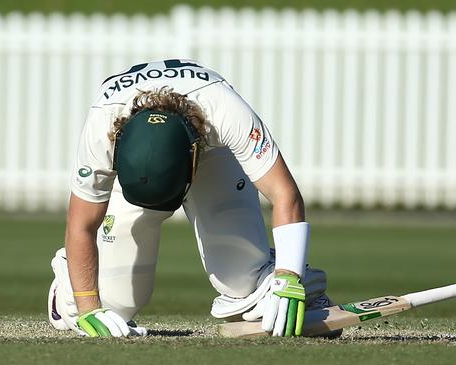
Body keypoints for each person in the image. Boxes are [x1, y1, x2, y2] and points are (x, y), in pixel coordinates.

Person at [48, 59, 337, 337]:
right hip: (141, 161)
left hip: (211, 148)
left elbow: (285, 193)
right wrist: (87, 308)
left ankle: (295, 283)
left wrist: (287, 277)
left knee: (241, 281)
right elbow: (81, 225)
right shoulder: (102, 129)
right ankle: (65, 287)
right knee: (113, 304)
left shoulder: (225, 112)